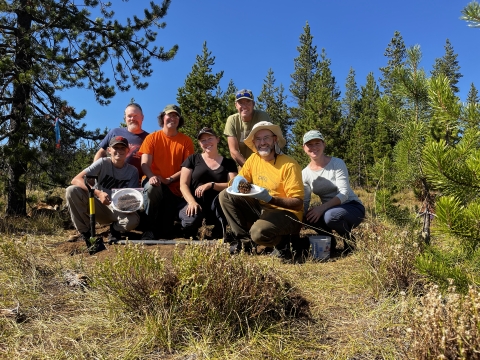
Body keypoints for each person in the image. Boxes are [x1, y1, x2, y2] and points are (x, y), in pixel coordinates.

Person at [219, 121, 304, 257]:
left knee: (258, 233)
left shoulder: (289, 165)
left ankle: (284, 243)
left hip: (287, 214)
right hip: (262, 207)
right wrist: (237, 181)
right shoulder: (254, 159)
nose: (262, 142)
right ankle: (245, 243)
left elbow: (298, 203)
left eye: (266, 138)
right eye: (258, 139)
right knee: (225, 196)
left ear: (274, 139)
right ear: (254, 142)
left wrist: (270, 199)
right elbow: (240, 179)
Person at [66, 136, 140, 244]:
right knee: (72, 191)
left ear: (127, 151)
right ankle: (86, 232)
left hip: (119, 208)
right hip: (98, 206)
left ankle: (115, 230)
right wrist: (97, 192)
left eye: (122, 148)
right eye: (116, 148)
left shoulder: (133, 171)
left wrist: (132, 207)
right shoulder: (102, 163)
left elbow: (133, 196)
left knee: (133, 221)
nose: (119, 151)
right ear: (109, 150)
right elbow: (76, 179)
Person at [302, 130, 365, 254]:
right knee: (309, 216)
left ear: (324, 144)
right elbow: (305, 201)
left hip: (352, 207)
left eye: (317, 143)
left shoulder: (337, 163)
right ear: (304, 148)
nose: (314, 147)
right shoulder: (304, 173)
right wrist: (301, 219)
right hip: (329, 210)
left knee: (330, 216)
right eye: (310, 144)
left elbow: (344, 193)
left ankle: (349, 242)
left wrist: (321, 208)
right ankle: (330, 243)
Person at [139, 104, 194, 240]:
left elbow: (186, 168)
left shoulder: (186, 141)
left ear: (179, 120)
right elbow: (144, 163)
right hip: (154, 181)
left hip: (173, 186)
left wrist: (169, 179)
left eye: (176, 116)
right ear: (163, 117)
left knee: (165, 231)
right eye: (169, 115)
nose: (172, 118)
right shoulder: (152, 138)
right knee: (152, 188)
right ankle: (148, 230)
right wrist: (152, 177)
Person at [179, 127, 238, 239]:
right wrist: (191, 202)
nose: (207, 142)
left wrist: (211, 185)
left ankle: (219, 229)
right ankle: (188, 228)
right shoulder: (192, 159)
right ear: (200, 143)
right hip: (195, 203)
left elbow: (233, 185)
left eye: (210, 138)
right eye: (203, 140)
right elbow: (183, 185)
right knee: (190, 222)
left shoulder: (229, 163)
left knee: (222, 227)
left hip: (218, 206)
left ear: (217, 139)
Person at [94, 103, 149, 181]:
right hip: (112, 180)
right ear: (125, 118)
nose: (132, 118)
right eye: (129, 116)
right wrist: (95, 174)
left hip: (137, 182)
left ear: (142, 117)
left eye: (136, 115)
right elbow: (101, 153)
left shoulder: (149, 138)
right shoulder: (115, 132)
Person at [223, 89, 271, 167]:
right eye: (241, 103)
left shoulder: (262, 117)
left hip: (265, 163)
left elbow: (268, 143)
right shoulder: (232, 120)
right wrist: (248, 168)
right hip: (244, 165)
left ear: (253, 104)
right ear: (236, 105)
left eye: (248, 102)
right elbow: (233, 151)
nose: (244, 106)